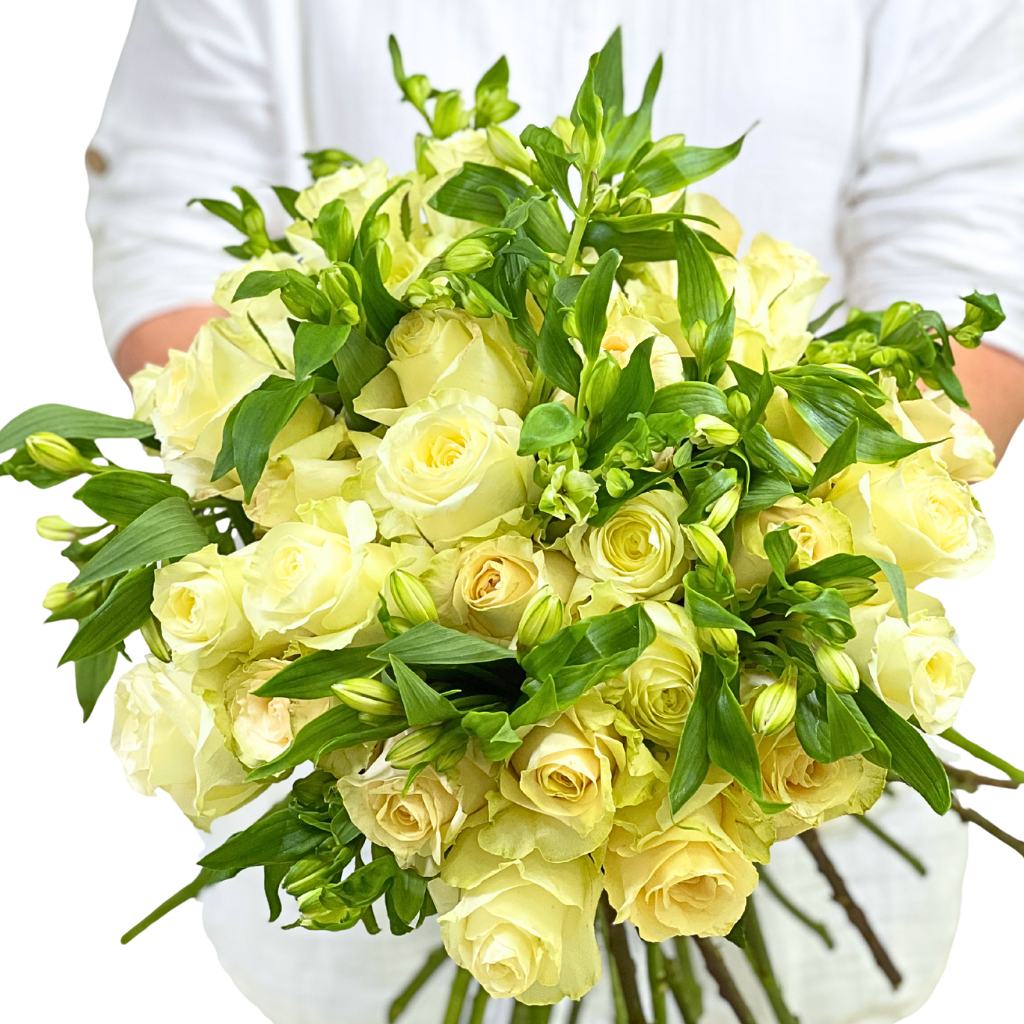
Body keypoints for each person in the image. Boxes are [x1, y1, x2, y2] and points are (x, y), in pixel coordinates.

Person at [85, 2, 1024, 1022]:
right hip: (367, 830)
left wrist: (777, 549)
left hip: (798, 807)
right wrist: (334, 485)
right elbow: (165, 221)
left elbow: (976, 246)